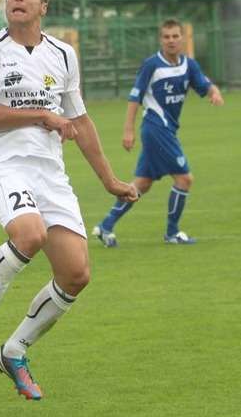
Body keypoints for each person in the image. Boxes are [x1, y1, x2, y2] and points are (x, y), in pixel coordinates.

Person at [0, 0, 138, 400]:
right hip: (4, 162)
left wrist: (109, 180)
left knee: (76, 273)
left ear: (44, 6)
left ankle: (13, 351)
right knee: (29, 234)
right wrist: (42, 115)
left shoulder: (63, 55)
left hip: (49, 171)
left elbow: (80, 121)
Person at [93, 19, 224, 247]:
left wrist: (215, 93)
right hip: (156, 128)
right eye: (166, 37)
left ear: (182, 38)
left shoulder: (189, 65)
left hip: (165, 130)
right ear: (160, 39)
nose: (171, 41)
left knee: (142, 184)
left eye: (175, 36)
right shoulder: (152, 65)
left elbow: (205, 84)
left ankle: (105, 226)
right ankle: (172, 233)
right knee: (184, 179)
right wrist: (128, 130)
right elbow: (135, 97)